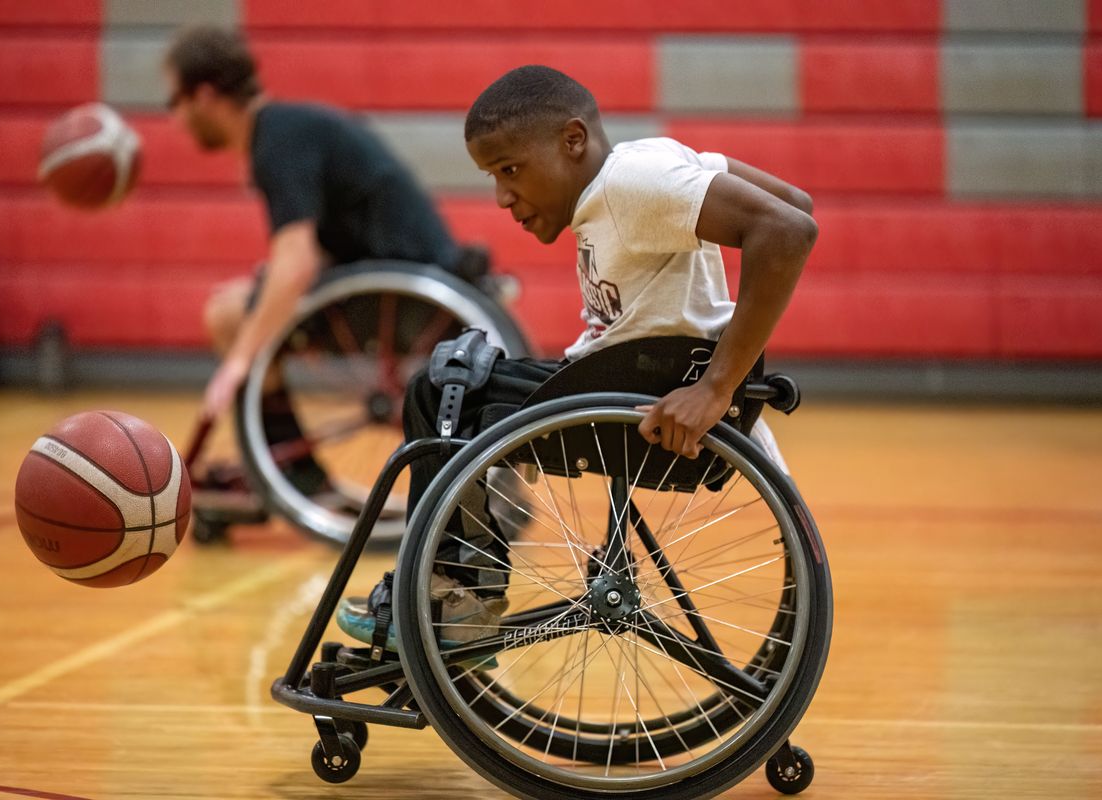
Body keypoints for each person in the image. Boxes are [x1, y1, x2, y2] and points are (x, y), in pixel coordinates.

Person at [337, 64, 817, 647]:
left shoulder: (631, 182)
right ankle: (455, 596)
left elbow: (788, 228)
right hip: (621, 384)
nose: (502, 197)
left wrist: (717, 386)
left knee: (440, 388)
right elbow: (795, 200)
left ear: (573, 141)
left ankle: (454, 599)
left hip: (641, 397)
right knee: (462, 378)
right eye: (492, 176)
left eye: (510, 170)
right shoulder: (638, 172)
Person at [162, 26, 472, 421]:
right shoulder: (289, 128)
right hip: (412, 282)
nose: (175, 118)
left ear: (204, 96)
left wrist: (236, 363)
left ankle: (290, 474)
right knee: (243, 299)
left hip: (406, 301)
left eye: (175, 101)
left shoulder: (276, 143)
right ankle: (287, 469)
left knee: (228, 318)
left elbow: (297, 263)